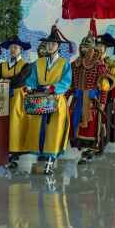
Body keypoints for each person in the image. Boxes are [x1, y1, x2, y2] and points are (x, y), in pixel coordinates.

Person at [24, 25, 74, 174]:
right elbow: (32, 79)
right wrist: (29, 86)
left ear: (58, 46)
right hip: (40, 100)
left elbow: (66, 82)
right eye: (48, 44)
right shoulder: (39, 63)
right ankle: (41, 154)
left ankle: (51, 160)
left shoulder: (64, 63)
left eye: (53, 44)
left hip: (56, 101)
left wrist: (53, 88)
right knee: (38, 128)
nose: (50, 46)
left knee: (54, 130)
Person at [0, 36, 33, 167]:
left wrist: (6, 80)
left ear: (21, 49)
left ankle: (15, 154)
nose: (13, 50)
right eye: (11, 47)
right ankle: (4, 152)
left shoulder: (26, 66)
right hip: (2, 97)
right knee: (3, 123)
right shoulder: (2, 65)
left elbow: (20, 80)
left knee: (15, 124)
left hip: (18, 98)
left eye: (16, 47)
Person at [69, 35, 111, 162]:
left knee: (91, 128)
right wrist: (66, 96)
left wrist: (102, 102)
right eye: (82, 47)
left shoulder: (99, 65)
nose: (84, 50)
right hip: (78, 100)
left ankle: (91, 149)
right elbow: (71, 85)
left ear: (92, 49)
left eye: (87, 47)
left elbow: (104, 86)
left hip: (92, 102)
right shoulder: (75, 64)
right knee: (77, 125)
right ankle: (80, 149)